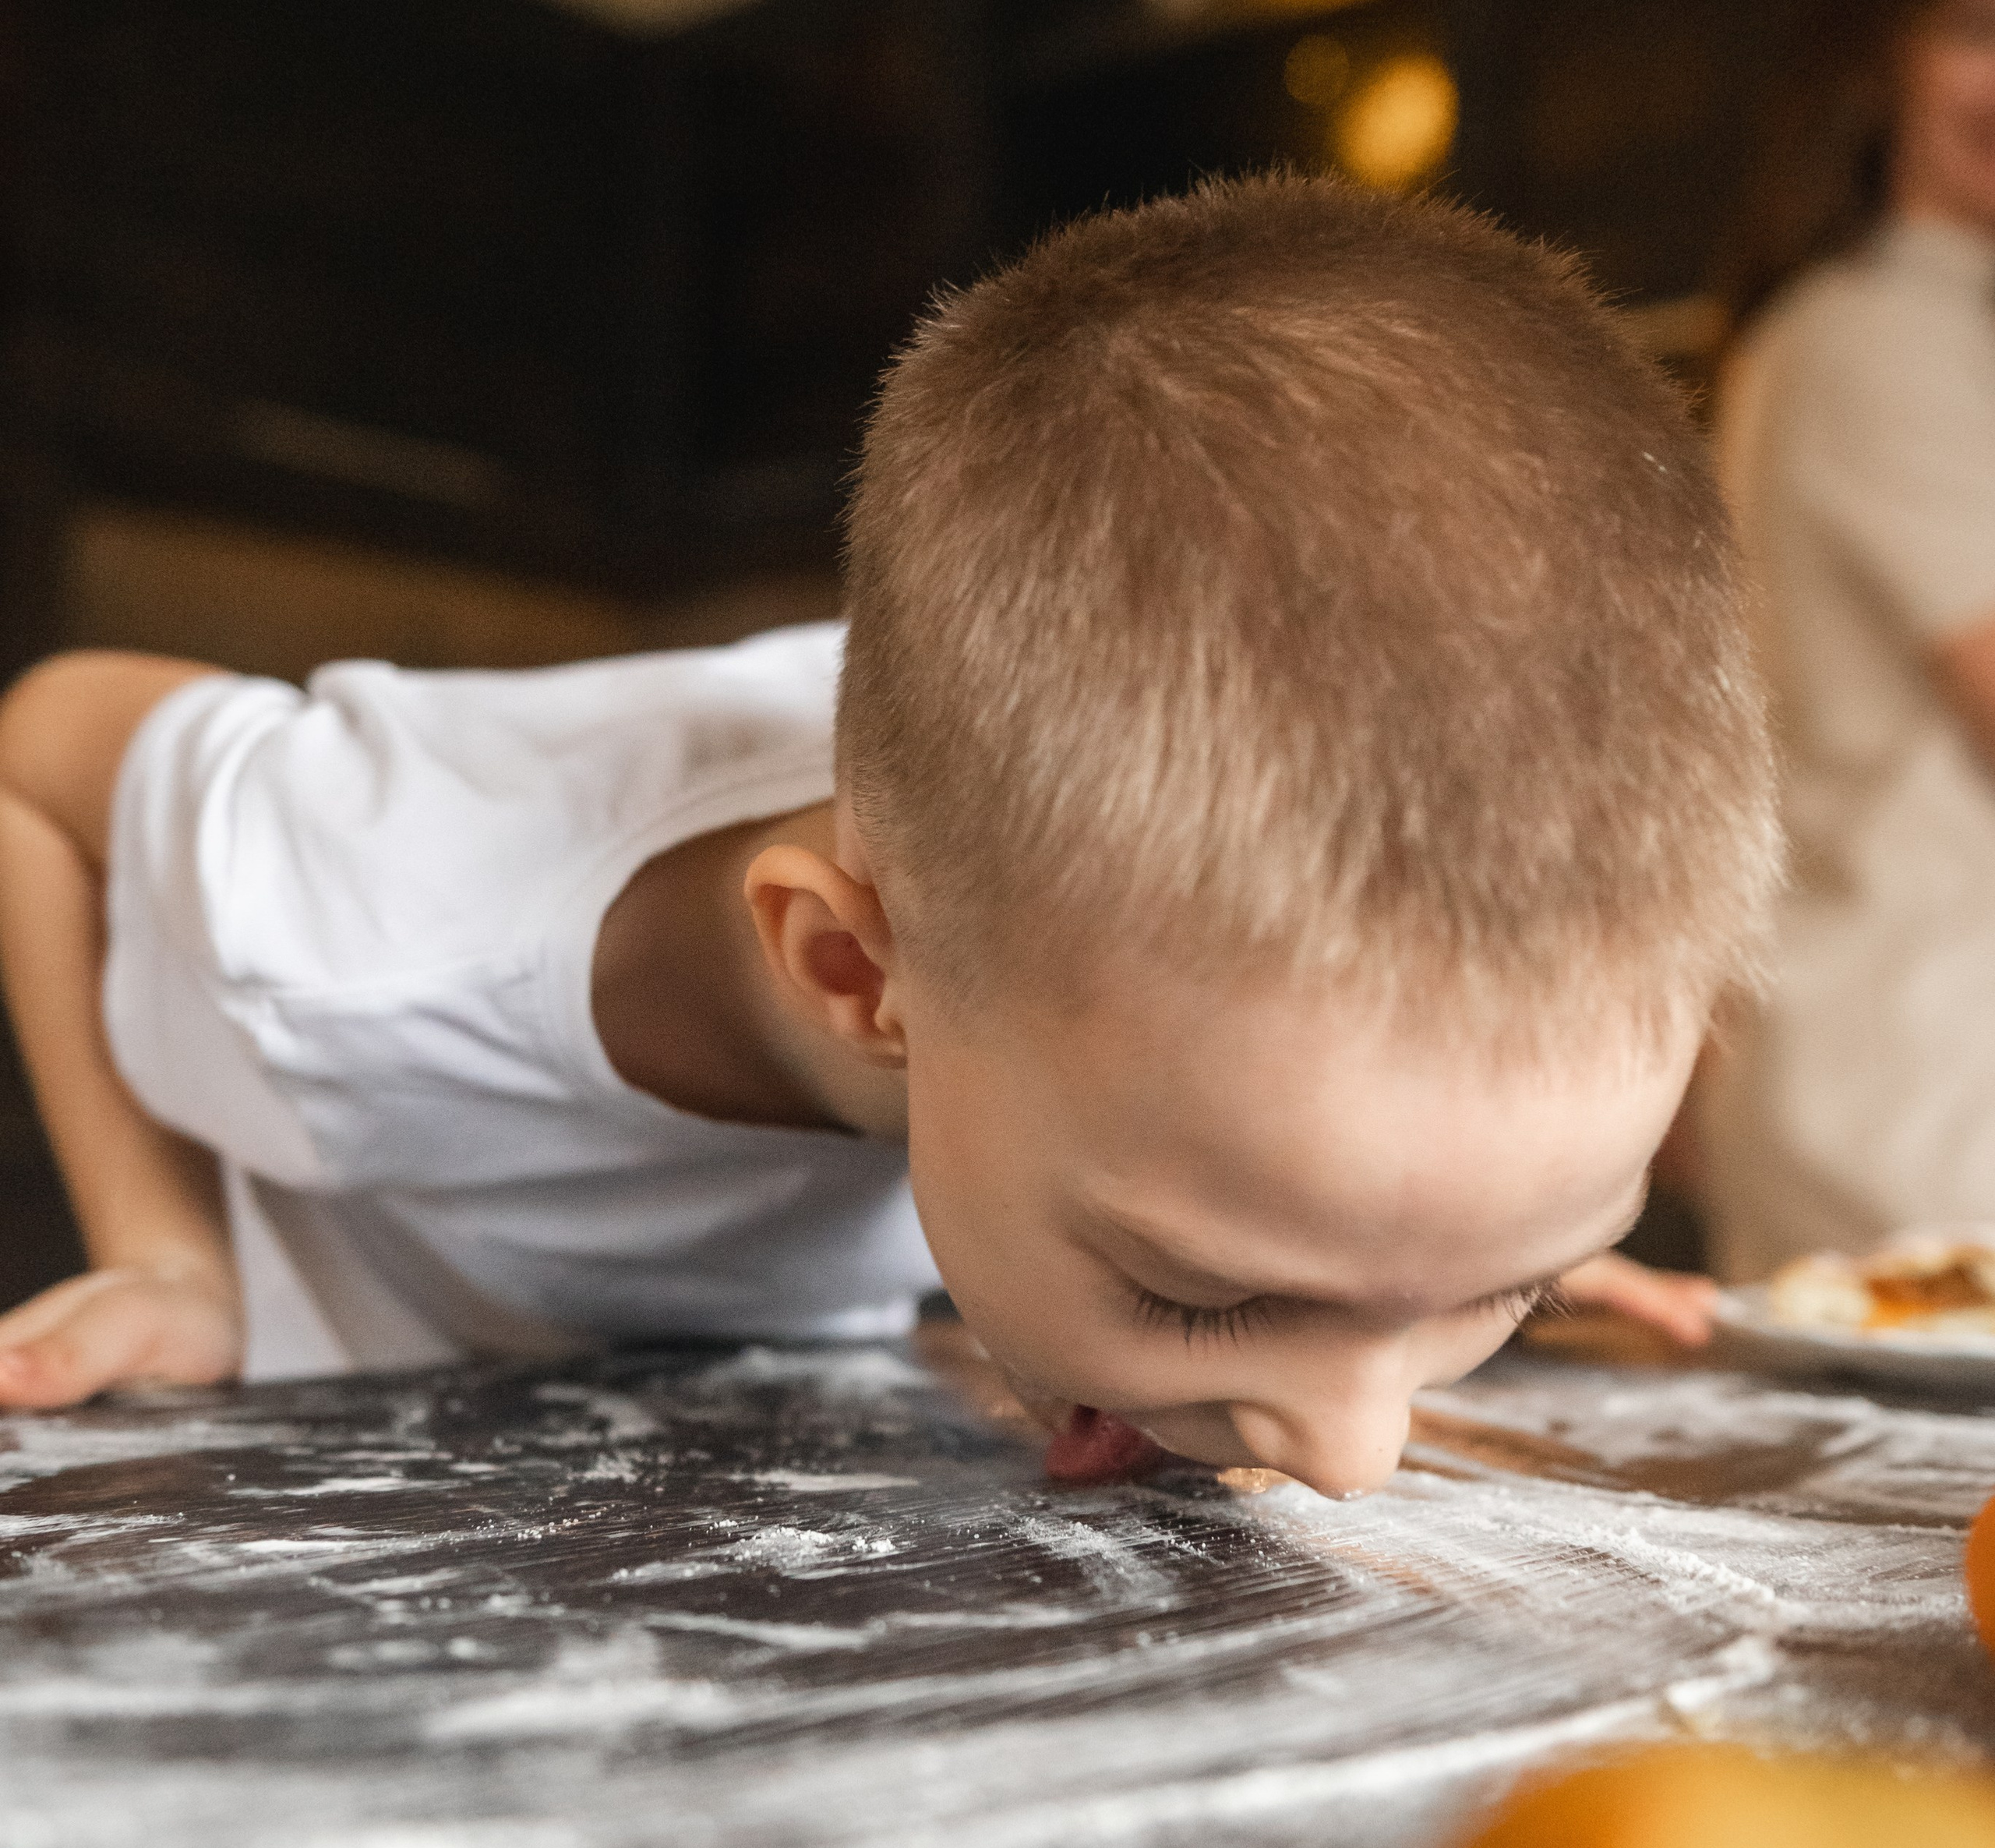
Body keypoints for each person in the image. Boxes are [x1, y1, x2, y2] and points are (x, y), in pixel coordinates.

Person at [0, 177, 1777, 1498]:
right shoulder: (371, 918)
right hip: (369, 1446)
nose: (1353, 1453)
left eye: (1501, 1289)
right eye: (1213, 1295)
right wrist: (164, 1247)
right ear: (856, 969)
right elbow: (37, 751)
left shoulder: (1055, 914)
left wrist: (1414, 1240)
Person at [1704, 0, 1995, 1277]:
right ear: (1886, 62)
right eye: (1981, 30)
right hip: (1921, 1102)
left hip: (1878, 1079)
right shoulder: (1885, 334)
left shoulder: (1867, 330)